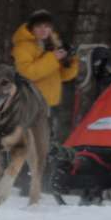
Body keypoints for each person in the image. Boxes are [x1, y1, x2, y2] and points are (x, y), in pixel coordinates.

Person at [11, 9, 80, 143]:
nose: (44, 30)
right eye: (39, 26)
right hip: (30, 103)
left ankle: (45, 163)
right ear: (31, 28)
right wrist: (53, 58)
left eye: (47, 26)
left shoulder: (53, 45)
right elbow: (28, 73)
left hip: (49, 104)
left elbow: (64, 76)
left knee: (46, 143)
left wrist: (71, 61)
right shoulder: (22, 47)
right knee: (29, 143)